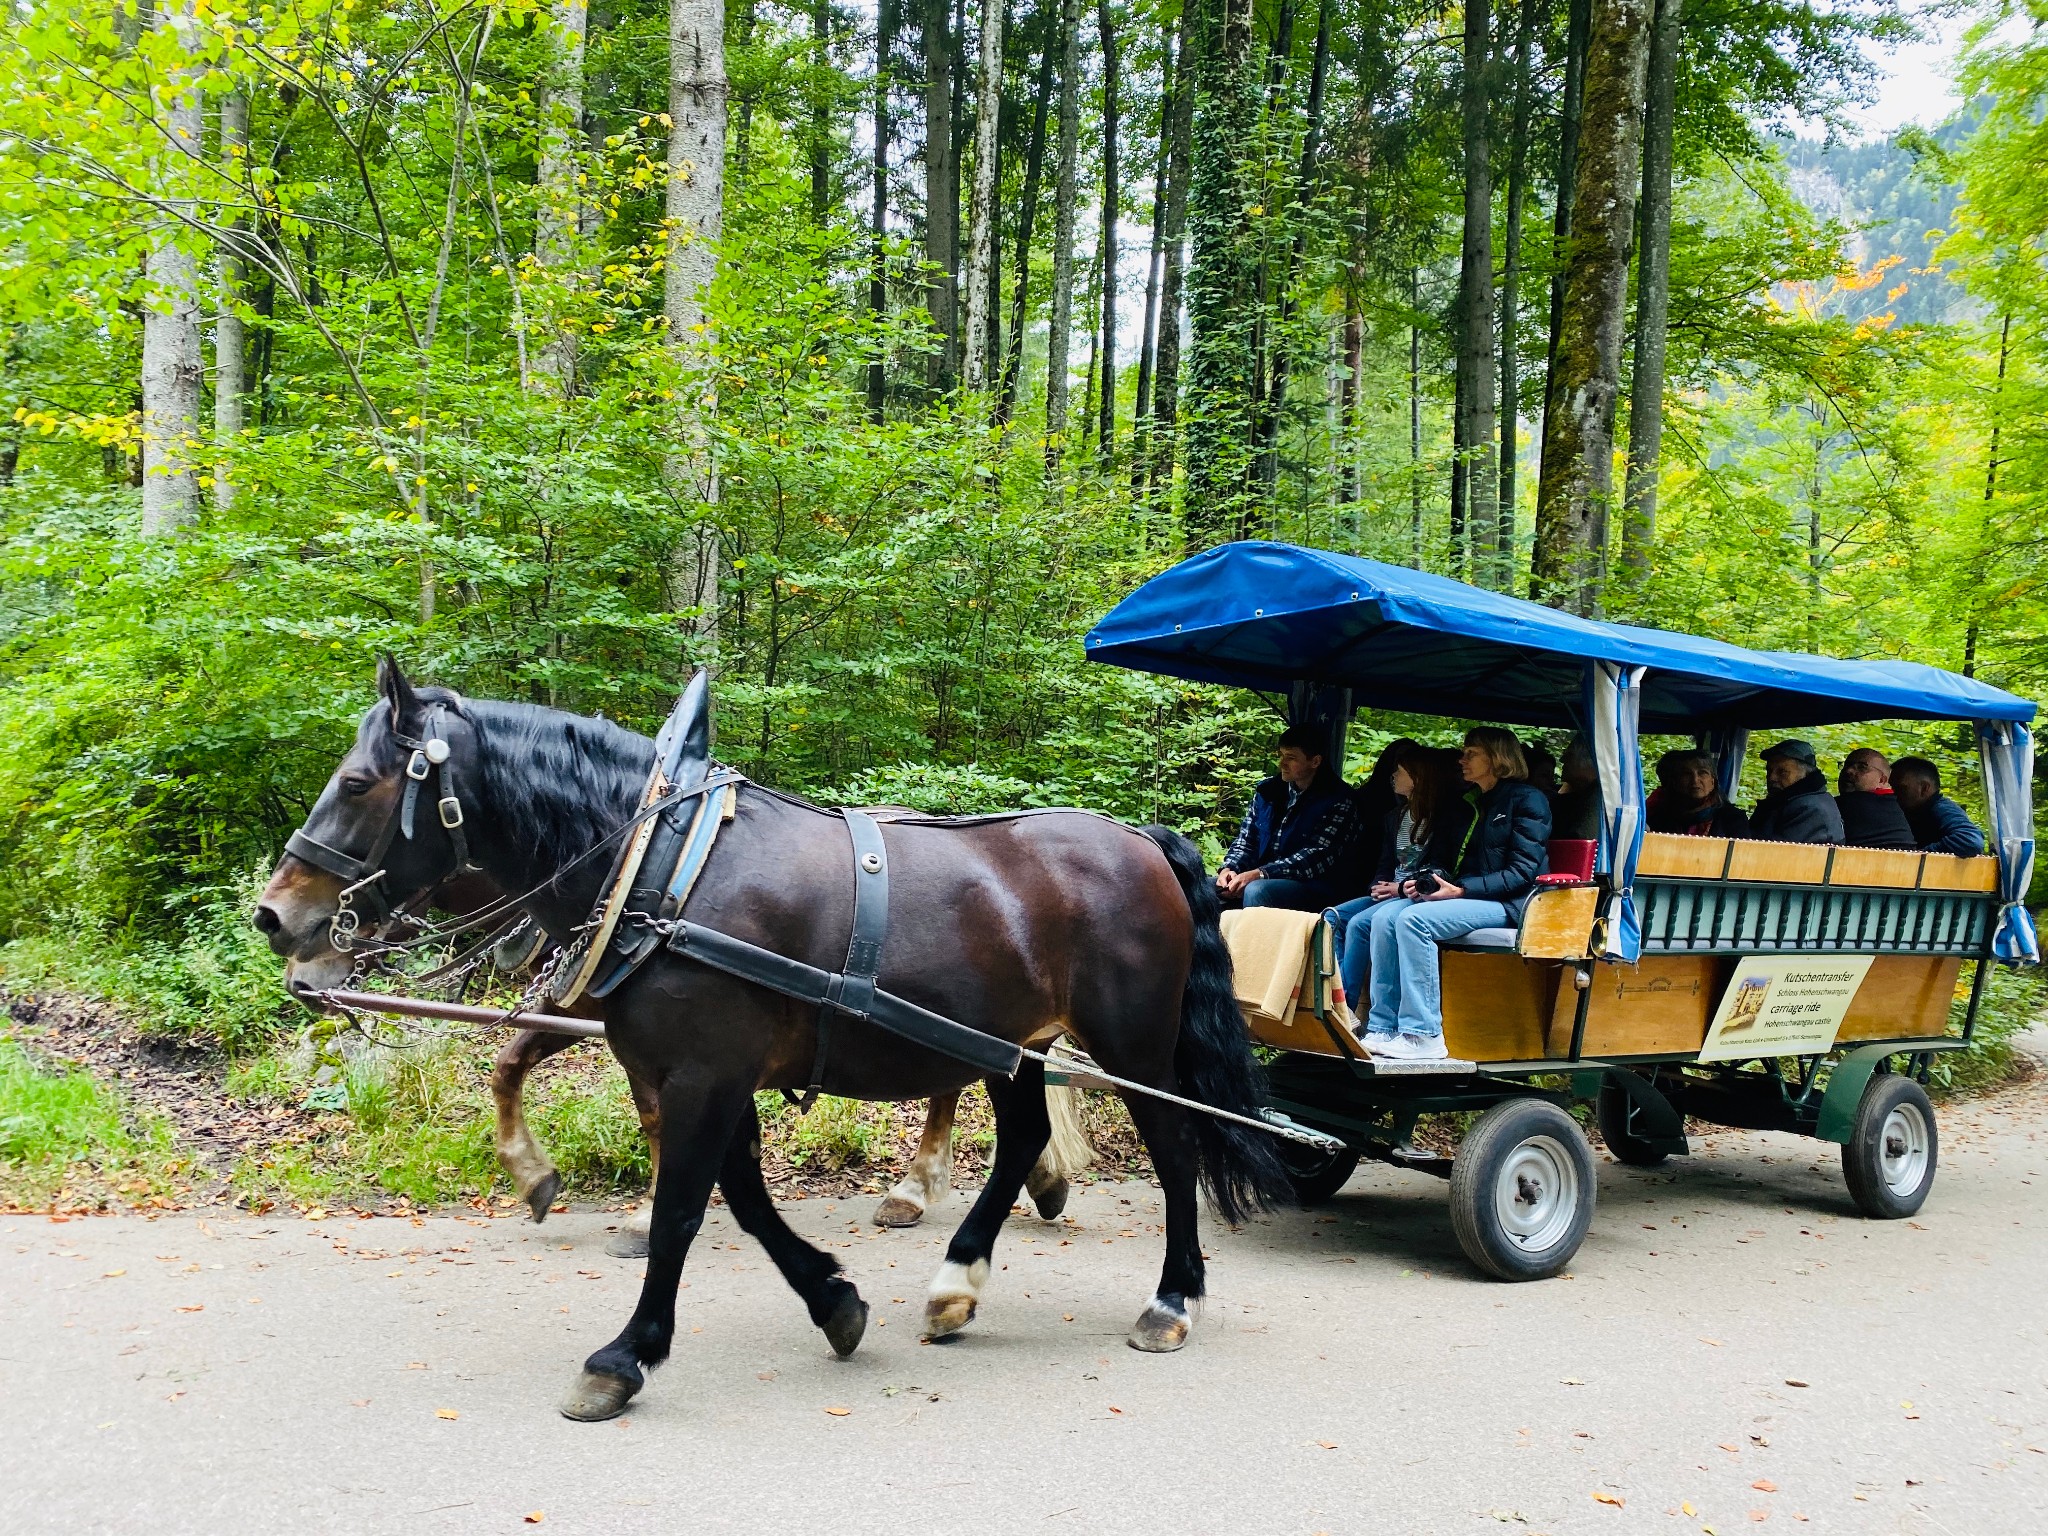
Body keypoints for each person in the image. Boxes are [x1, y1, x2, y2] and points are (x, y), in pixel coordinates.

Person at [1357, 726, 1551, 1061]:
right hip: (1469, 895)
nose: (1461, 759)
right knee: (1385, 916)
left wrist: (1460, 889)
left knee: (1414, 921)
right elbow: (1446, 861)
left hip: (1510, 903)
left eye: (1471, 753)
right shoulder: (1469, 802)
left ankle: (1423, 1033)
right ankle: (1382, 1027)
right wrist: (1428, 882)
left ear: (1497, 757)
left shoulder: (1527, 800)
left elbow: (1523, 873)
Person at [1326, 744, 1471, 1009]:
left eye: (1400, 771)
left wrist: (1400, 889)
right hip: (1391, 892)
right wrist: (1377, 886)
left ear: (1418, 778)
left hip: (1418, 895)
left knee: (1359, 924)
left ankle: (1344, 1007)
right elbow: (1385, 862)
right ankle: (1332, 996)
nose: (1393, 776)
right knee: (1332, 918)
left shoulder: (1448, 816)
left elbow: (1441, 866)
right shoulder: (1395, 816)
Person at [1215, 726, 1362, 911]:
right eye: (1281, 755)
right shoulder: (1267, 791)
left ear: (1315, 761)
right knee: (1204, 887)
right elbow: (1246, 840)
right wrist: (1230, 869)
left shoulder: (1340, 801)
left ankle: (1256, 940)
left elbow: (1314, 858)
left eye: (1291, 758)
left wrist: (1260, 874)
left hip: (1316, 887)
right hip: (1262, 876)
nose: (1282, 763)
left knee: (1257, 891)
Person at [1747, 739, 1844, 844]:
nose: (1772, 777)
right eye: (1769, 770)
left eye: (1782, 772)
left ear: (1805, 773)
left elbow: (1772, 852)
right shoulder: (1784, 802)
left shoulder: (1810, 809)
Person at [1890, 757, 1986, 855]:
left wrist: (1919, 856)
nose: (1893, 793)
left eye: (1900, 788)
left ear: (1924, 788)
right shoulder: (1912, 810)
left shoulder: (1942, 809)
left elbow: (1970, 840)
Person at [1647, 748, 1750, 837]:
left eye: (1702, 773)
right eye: (1686, 774)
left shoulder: (1733, 819)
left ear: (1712, 782)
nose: (1695, 780)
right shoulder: (1661, 819)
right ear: (1676, 782)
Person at [1835, 747, 1917, 850]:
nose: (1849, 771)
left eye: (1862, 767)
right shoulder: (1893, 804)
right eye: (1847, 765)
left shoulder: (1851, 804)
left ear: (1882, 780)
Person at [1551, 736, 1603, 842]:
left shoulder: (1596, 798)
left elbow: (1581, 840)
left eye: (1570, 755)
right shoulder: (1578, 794)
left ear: (1590, 762)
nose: (1562, 760)